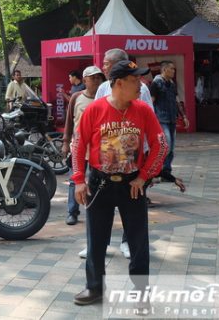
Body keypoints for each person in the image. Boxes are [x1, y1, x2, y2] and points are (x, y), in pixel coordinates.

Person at [71, 60, 168, 307]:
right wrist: (79, 180)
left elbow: (160, 144)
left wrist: (144, 176)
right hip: (99, 184)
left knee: (138, 240)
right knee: (96, 239)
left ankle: (141, 292)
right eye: (135, 80)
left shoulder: (143, 110)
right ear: (119, 83)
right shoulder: (95, 109)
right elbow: (78, 144)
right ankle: (94, 288)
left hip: (132, 185)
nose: (141, 85)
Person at [63, 66, 105, 226]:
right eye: (93, 78)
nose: (96, 81)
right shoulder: (76, 97)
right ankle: (72, 212)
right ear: (85, 80)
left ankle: (94, 211)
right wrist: (65, 142)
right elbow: (69, 122)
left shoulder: (105, 98)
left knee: (96, 181)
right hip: (78, 147)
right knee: (75, 180)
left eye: (99, 78)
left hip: (98, 149)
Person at [149, 61, 188, 192]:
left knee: (171, 148)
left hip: (172, 119)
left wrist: (184, 116)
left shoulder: (172, 84)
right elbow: (151, 102)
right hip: (161, 119)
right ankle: (156, 171)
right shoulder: (156, 83)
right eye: (171, 69)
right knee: (166, 146)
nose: (173, 71)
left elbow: (177, 101)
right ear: (164, 69)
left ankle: (166, 172)